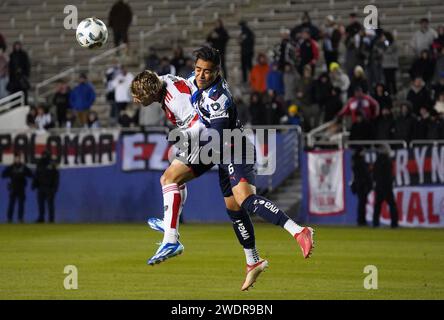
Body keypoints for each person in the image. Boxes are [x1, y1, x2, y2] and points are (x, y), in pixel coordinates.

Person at [185, 47, 314, 289]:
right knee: (233, 210)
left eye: (207, 72)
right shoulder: (196, 81)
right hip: (222, 155)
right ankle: (253, 261)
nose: (201, 76)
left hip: (235, 149)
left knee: (247, 201)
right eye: (198, 69)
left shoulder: (217, 99)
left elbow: (216, 136)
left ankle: (299, 231)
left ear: (217, 73)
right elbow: (184, 86)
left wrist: (189, 138)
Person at [372, 145, 398, 228]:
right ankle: (394, 223)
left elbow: (374, 174)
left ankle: (375, 223)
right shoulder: (388, 161)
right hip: (387, 186)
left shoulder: (377, 161)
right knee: (392, 205)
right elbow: (389, 175)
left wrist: (376, 182)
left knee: (377, 206)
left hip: (379, 186)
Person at [2, 153, 33, 223]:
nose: (18, 159)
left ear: (20, 159)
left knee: (21, 204)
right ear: (14, 159)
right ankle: (9, 219)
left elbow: (31, 175)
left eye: (19, 158)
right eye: (16, 158)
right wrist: (10, 175)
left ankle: (20, 218)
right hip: (13, 188)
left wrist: (24, 175)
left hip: (21, 188)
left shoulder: (23, 167)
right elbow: (3, 174)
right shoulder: (11, 167)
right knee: (11, 204)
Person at [32, 150, 59, 223]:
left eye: (45, 155)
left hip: (49, 187)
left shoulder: (52, 164)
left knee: (50, 204)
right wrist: (34, 184)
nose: (44, 156)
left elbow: (56, 177)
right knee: (41, 204)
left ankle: (51, 219)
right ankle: (41, 218)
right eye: (43, 155)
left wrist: (55, 188)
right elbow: (36, 175)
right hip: (41, 187)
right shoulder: (39, 164)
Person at [351, 149, 372, 226]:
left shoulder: (355, 162)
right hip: (362, 186)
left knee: (361, 203)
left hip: (359, 185)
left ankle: (361, 220)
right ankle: (361, 220)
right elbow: (365, 175)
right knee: (362, 203)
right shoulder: (361, 163)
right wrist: (369, 185)